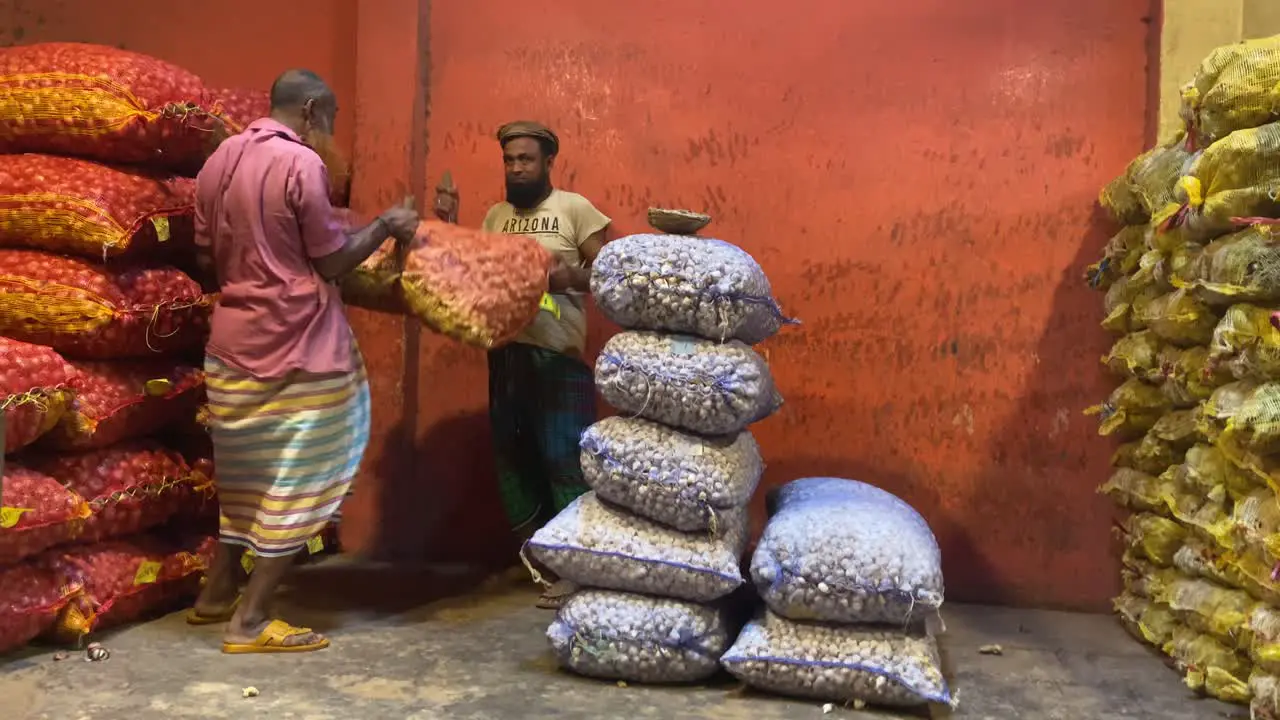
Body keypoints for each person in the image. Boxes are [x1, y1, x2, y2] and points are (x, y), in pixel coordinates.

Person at [187, 69, 419, 653]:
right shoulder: (301, 164)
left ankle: (216, 595)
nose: (330, 135)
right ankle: (251, 619)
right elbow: (334, 263)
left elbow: (205, 259)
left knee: (244, 481)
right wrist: (388, 226)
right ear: (312, 109)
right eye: (332, 122)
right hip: (300, 350)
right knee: (305, 479)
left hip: (232, 346)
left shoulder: (218, 162)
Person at [482, 121, 611, 609]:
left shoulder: (574, 210)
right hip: (504, 355)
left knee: (565, 463)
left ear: (548, 162)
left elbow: (610, 276)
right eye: (509, 160)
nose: (516, 168)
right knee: (512, 461)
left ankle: (577, 569)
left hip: (559, 359)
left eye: (526, 159)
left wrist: (564, 277)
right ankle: (543, 559)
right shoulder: (495, 216)